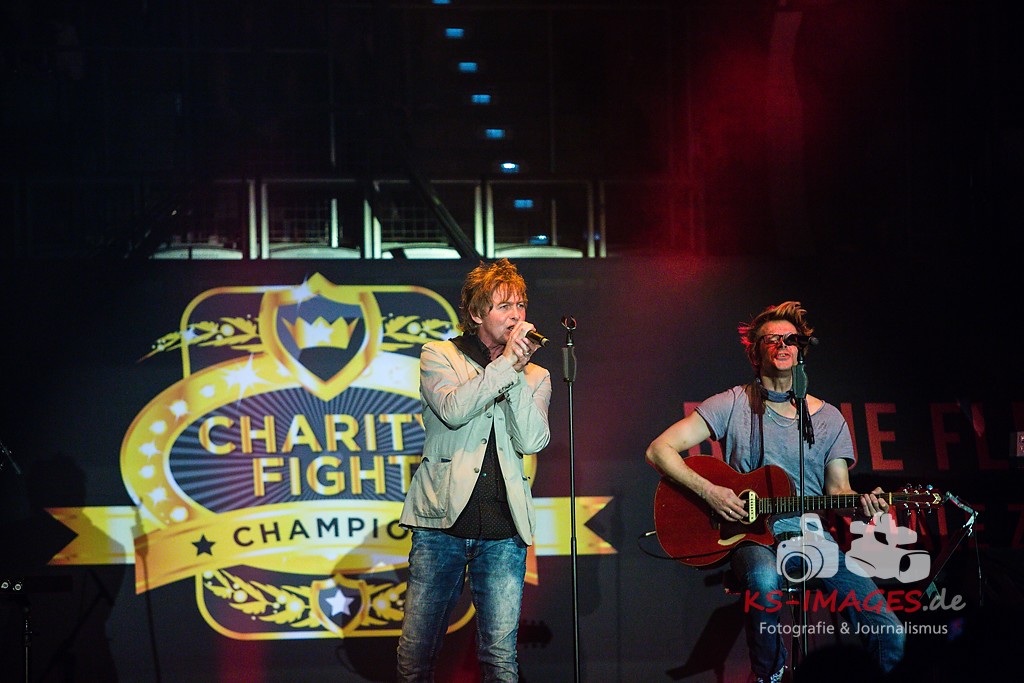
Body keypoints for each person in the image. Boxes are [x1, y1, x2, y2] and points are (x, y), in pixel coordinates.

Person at [645, 301, 904, 683]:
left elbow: (839, 491)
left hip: (813, 539)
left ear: (802, 350)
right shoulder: (732, 403)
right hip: (750, 538)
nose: (782, 345)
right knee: (764, 582)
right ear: (756, 352)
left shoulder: (829, 418)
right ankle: (771, 675)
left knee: (888, 629)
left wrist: (862, 507)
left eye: (790, 339)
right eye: (772, 340)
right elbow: (659, 450)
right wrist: (712, 492)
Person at [396, 258, 552, 683]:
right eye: (504, 306)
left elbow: (533, 440)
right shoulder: (440, 355)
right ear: (478, 313)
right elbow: (452, 410)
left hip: (503, 530)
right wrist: (505, 366)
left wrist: (515, 372)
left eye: (520, 305)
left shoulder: (536, 375)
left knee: (500, 659)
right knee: (416, 653)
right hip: (440, 526)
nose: (516, 315)